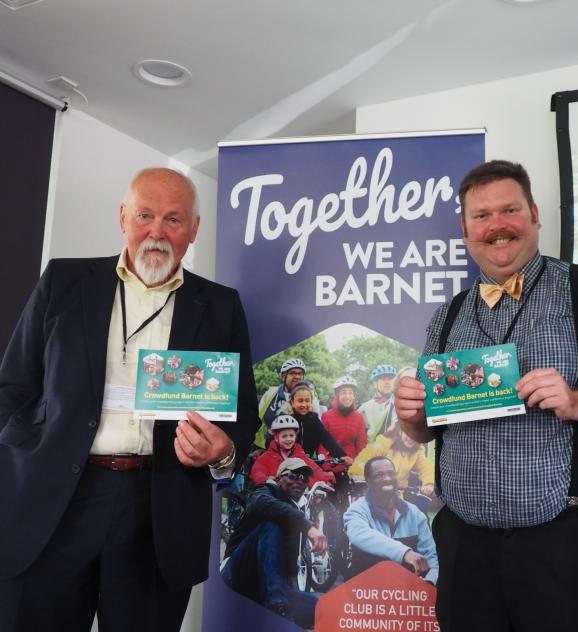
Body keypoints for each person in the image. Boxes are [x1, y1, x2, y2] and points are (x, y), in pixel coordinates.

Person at [394, 160, 578, 632]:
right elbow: (425, 429)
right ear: (465, 229)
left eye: (510, 210)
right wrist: (412, 415)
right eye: (482, 215)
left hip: (571, 544)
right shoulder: (448, 315)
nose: (497, 225)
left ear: (535, 215)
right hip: (466, 545)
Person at [0, 167, 260, 631]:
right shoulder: (63, 281)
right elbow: (13, 389)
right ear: (123, 217)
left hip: (159, 508)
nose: (156, 232)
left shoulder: (221, 306)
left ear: (194, 230)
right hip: (55, 505)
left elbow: (240, 418)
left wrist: (223, 453)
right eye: (145, 215)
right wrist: (31, 456)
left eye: (174, 220)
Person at [222, 458, 327, 628]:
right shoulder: (265, 491)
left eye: (304, 479)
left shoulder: (295, 512)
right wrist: (307, 526)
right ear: (278, 478)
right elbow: (260, 504)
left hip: (264, 590)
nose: (299, 481)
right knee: (270, 525)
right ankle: (277, 610)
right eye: (293, 475)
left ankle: (270, 610)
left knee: (323, 608)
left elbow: (285, 572)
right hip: (234, 579)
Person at [344, 456, 438, 584]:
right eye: (379, 475)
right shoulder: (357, 510)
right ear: (368, 481)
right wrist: (405, 553)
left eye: (390, 473)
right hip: (365, 593)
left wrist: (429, 582)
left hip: (406, 593)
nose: (387, 478)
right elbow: (359, 534)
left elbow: (431, 557)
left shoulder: (415, 513)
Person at [348, 423, 435, 512]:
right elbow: (366, 457)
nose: (411, 439)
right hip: (378, 491)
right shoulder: (384, 442)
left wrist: (428, 483)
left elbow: (426, 467)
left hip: (398, 493)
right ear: (400, 430)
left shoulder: (417, 450)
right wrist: (357, 473)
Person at [250, 415, 334, 487]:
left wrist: (326, 478)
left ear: (295, 436)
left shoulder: (300, 455)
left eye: (291, 435)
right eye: (284, 436)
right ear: (276, 438)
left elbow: (314, 470)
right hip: (274, 495)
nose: (288, 439)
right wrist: (265, 480)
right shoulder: (267, 456)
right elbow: (257, 470)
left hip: (296, 496)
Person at [321, 375, 368, 461]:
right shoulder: (326, 416)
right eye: (343, 393)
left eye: (350, 393)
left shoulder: (359, 417)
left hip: (353, 463)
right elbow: (322, 446)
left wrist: (357, 463)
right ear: (337, 395)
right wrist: (327, 465)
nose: (347, 396)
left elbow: (362, 445)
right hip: (332, 463)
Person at [358, 364, 398, 441]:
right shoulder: (364, 408)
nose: (387, 382)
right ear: (375, 384)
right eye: (383, 378)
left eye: (390, 378)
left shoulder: (401, 405)